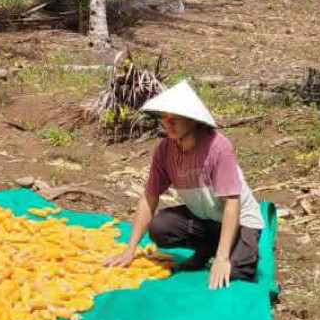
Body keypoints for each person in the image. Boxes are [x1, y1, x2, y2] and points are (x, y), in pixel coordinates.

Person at [106, 80, 264, 289]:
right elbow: (149, 197)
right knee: (161, 227)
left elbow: (232, 204)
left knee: (234, 274)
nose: (168, 124)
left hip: (240, 220)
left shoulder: (218, 147)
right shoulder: (164, 151)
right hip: (205, 219)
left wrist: (222, 259)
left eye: (175, 119)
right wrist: (130, 250)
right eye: (164, 118)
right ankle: (209, 246)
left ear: (193, 120)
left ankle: (231, 249)